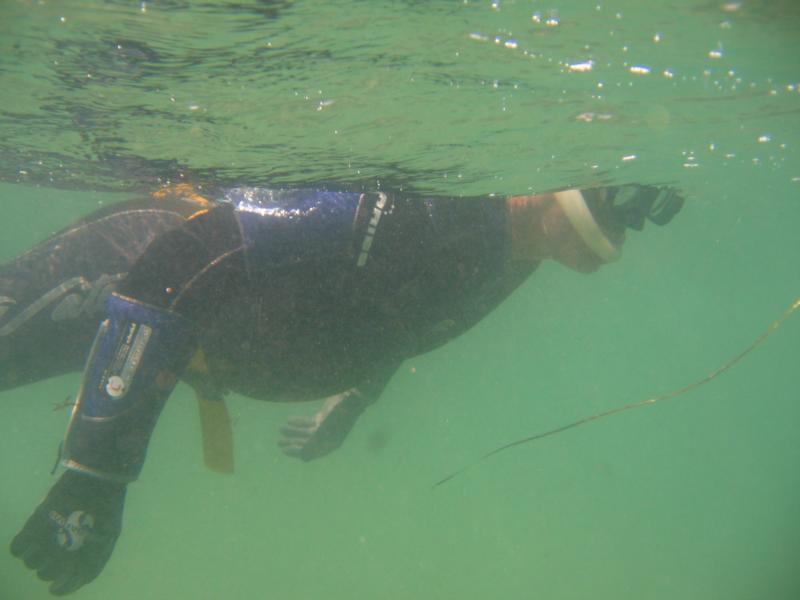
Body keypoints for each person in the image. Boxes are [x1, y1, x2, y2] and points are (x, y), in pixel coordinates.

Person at [2, 181, 683, 595]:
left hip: (180, 334)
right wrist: (96, 472)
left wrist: (355, 395)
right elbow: (184, 257)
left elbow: (404, 313)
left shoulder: (517, 249)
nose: (631, 222)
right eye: (616, 196)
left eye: (649, 204)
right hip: (124, 271)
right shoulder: (428, 212)